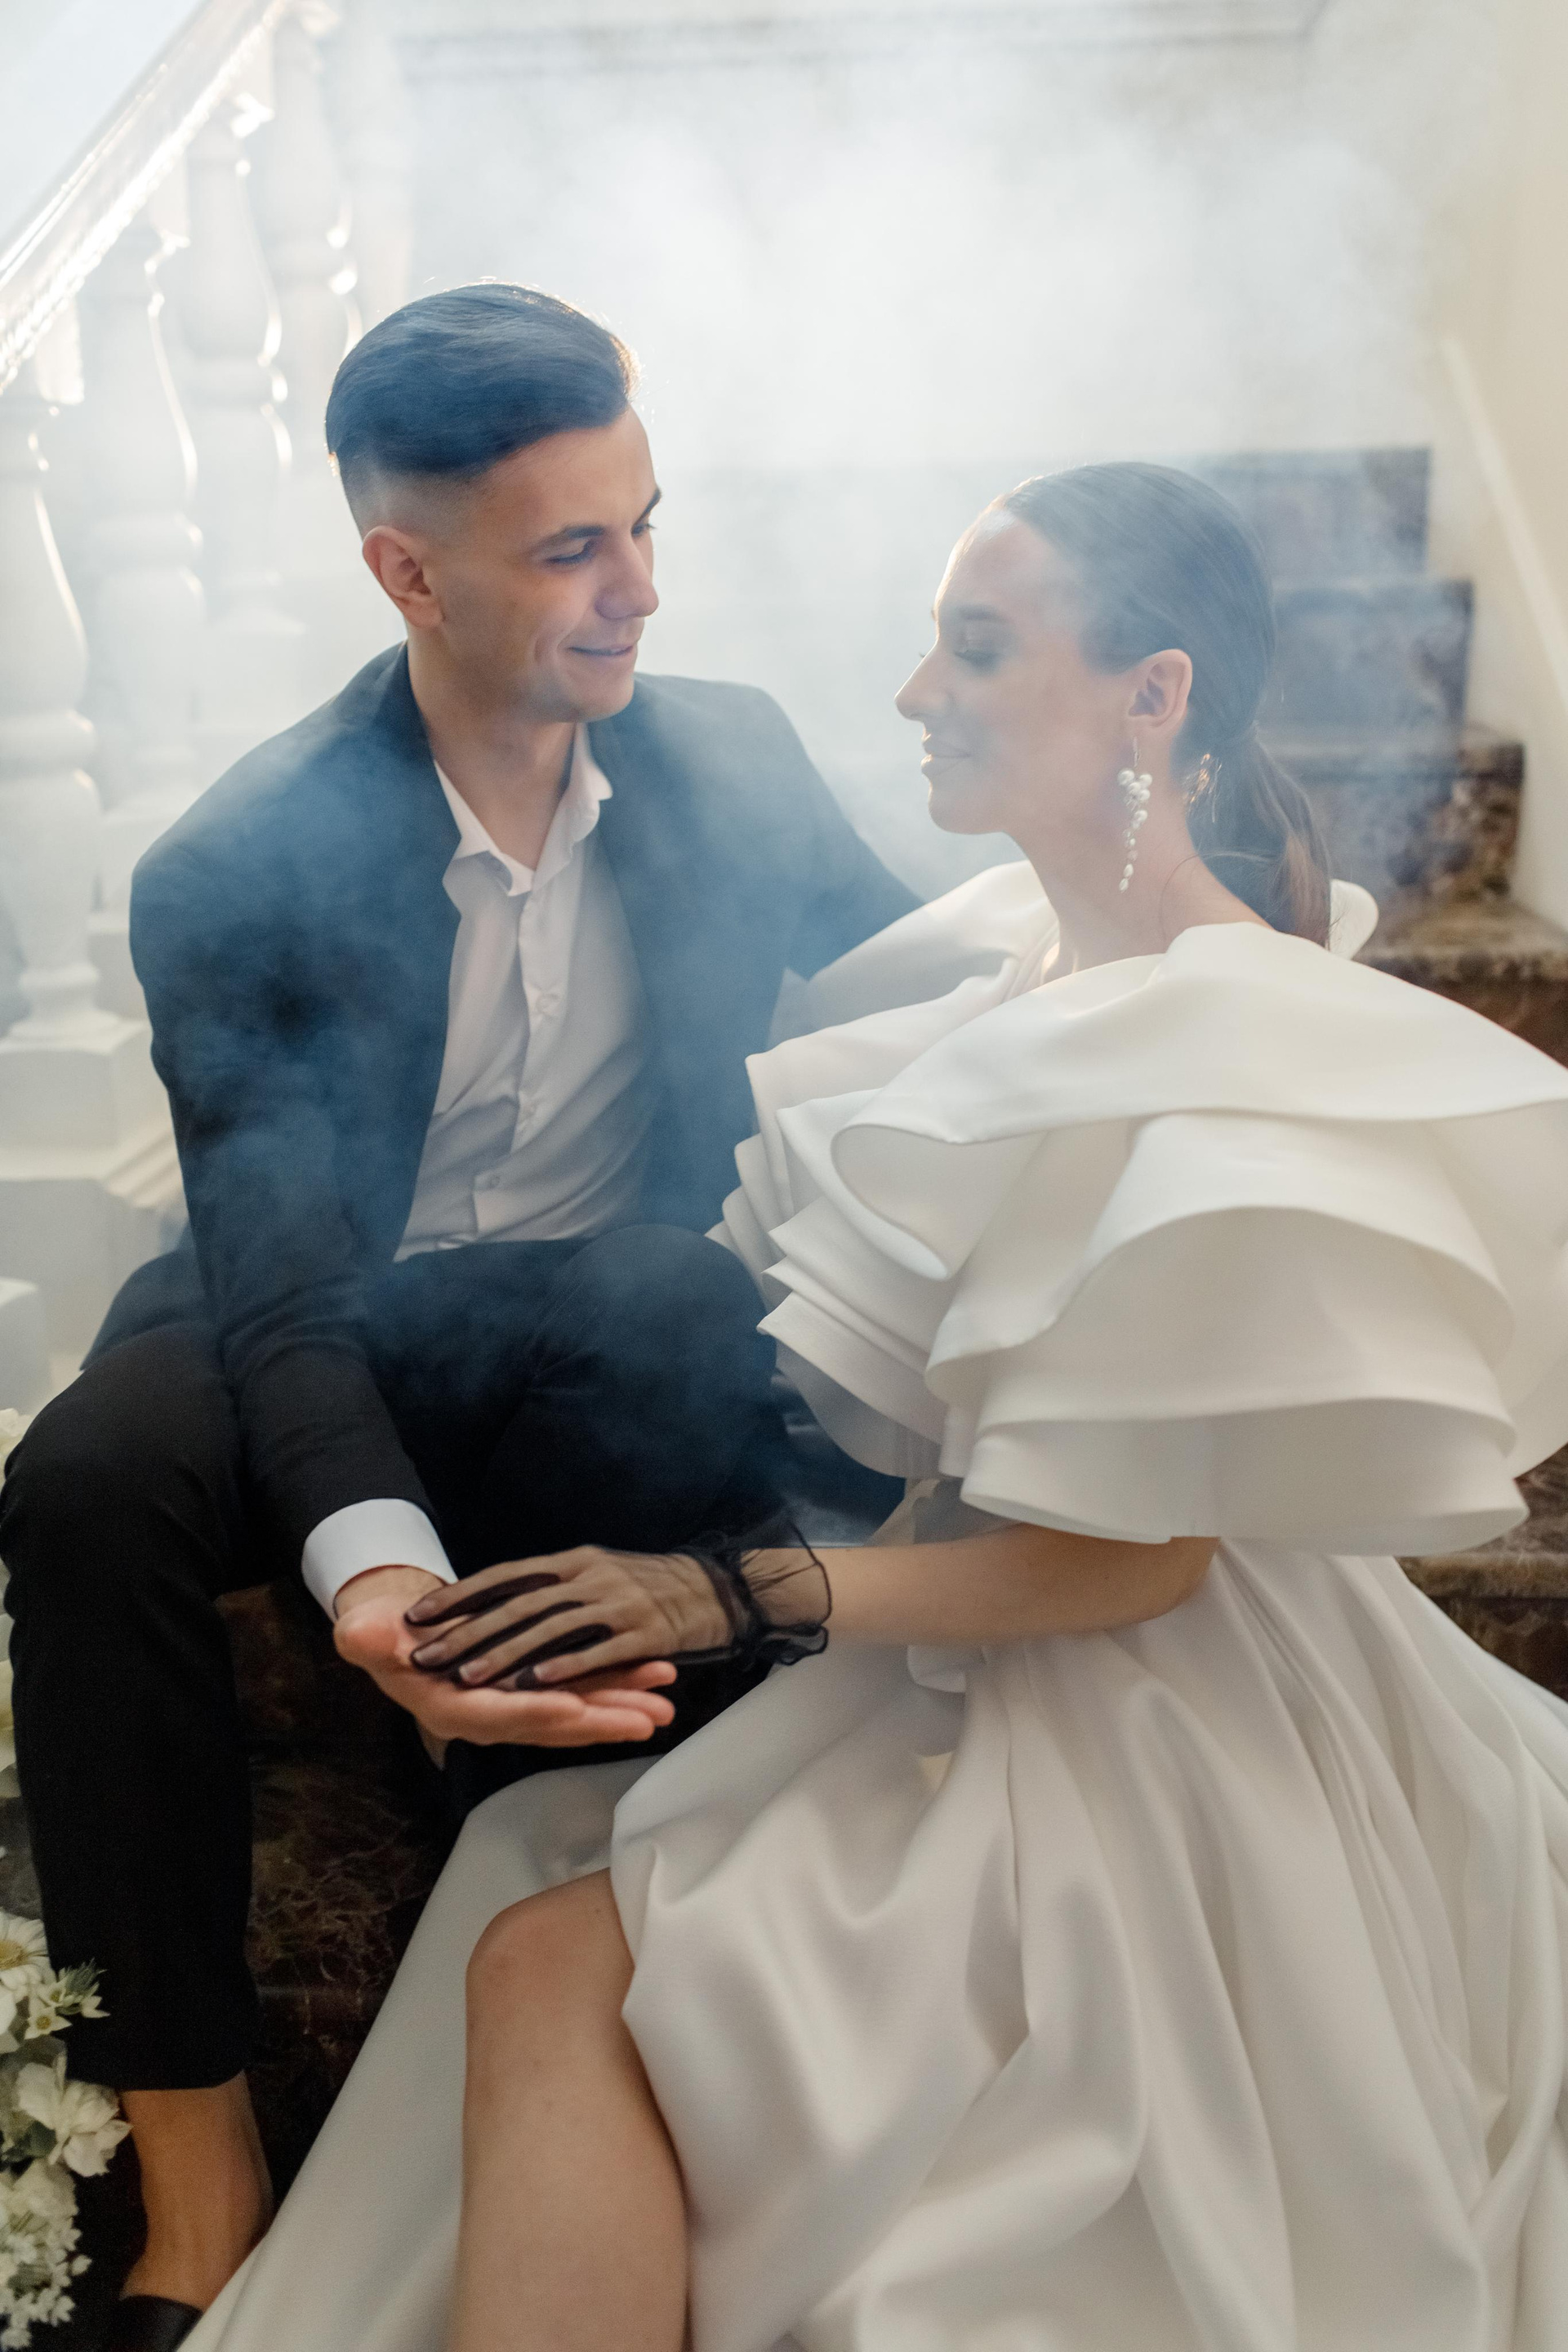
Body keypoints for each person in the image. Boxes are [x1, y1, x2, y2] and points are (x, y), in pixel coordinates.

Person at [185, 461, 1568, 2352]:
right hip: (957, 1669)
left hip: (1157, 1721)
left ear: (1154, 695)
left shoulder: (1225, 1033)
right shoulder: (995, 963)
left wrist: (727, 1592)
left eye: (977, 650)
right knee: (531, 1908)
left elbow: (1141, 1565)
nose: (918, 693)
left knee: (552, 1957)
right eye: (933, 644)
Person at [0, 284, 916, 2350]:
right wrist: (380, 1581)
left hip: (614, 1336)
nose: (639, 592)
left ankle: (616, 1929)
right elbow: (286, 1293)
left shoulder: (732, 762)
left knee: (668, 1299)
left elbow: (942, 1002)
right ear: (406, 575)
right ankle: (197, 2188)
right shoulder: (239, 865)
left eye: (645, 527)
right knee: (85, 1476)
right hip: (316, 1322)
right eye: (574, 550)